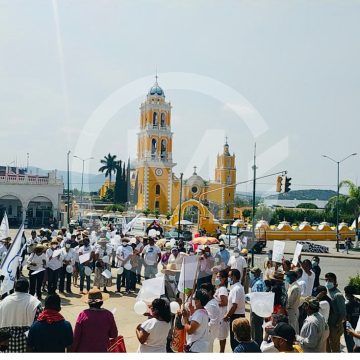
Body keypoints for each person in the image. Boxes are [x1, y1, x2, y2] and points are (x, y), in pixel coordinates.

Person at [0, 278, 43, 352]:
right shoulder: (35, 303)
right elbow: (39, 326)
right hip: (27, 344)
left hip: (7, 343)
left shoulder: (3, 302)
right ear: (28, 288)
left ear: (15, 288)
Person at [224, 269, 246, 351]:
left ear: (234, 277)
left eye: (229, 276)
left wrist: (227, 315)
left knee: (235, 341)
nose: (228, 278)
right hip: (236, 316)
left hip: (236, 316)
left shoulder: (237, 289)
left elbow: (234, 306)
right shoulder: (236, 287)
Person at [325, 272, 346, 352]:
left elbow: (343, 314)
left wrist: (337, 324)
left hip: (334, 326)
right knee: (327, 346)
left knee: (335, 347)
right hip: (327, 324)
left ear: (335, 282)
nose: (327, 282)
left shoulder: (338, 295)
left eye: (330, 280)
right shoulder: (327, 291)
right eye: (326, 280)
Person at [200, 283, 221, 352]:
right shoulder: (209, 302)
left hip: (208, 335)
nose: (202, 293)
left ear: (210, 292)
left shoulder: (211, 305)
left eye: (204, 291)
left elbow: (212, 322)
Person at [249, 267, 265, 345]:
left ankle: (256, 345)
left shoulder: (258, 283)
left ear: (256, 273)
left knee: (256, 327)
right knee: (255, 327)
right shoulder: (257, 282)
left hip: (256, 309)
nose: (251, 274)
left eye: (252, 273)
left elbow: (259, 297)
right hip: (255, 307)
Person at [214, 269, 229, 353]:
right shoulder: (218, 288)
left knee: (222, 337)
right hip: (218, 316)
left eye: (219, 277)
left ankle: (221, 353)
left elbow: (225, 302)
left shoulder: (223, 289)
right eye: (216, 276)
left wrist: (214, 304)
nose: (217, 278)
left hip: (221, 316)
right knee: (220, 336)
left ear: (223, 279)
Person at [344, 285, 360, 353]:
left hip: (351, 330)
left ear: (348, 294)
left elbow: (347, 319)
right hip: (357, 330)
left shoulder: (347, 305)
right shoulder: (358, 303)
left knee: (351, 349)